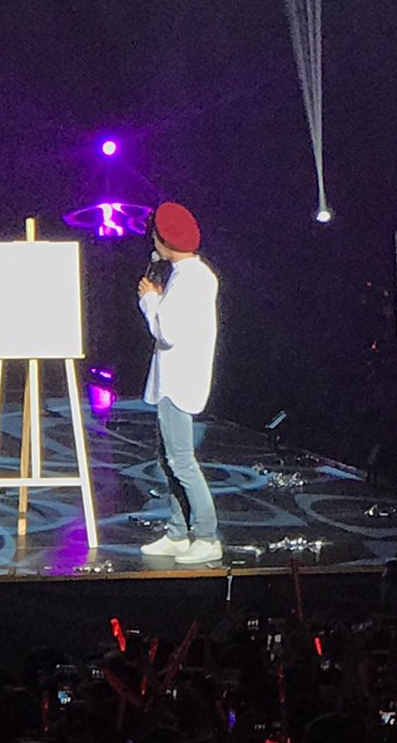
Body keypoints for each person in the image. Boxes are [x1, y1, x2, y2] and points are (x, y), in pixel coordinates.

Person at [138, 200, 221, 564]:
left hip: (179, 380)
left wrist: (149, 301)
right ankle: (177, 531)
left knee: (181, 461)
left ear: (164, 240)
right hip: (173, 379)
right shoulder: (190, 274)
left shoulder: (191, 279)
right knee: (169, 459)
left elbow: (166, 331)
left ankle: (206, 535)